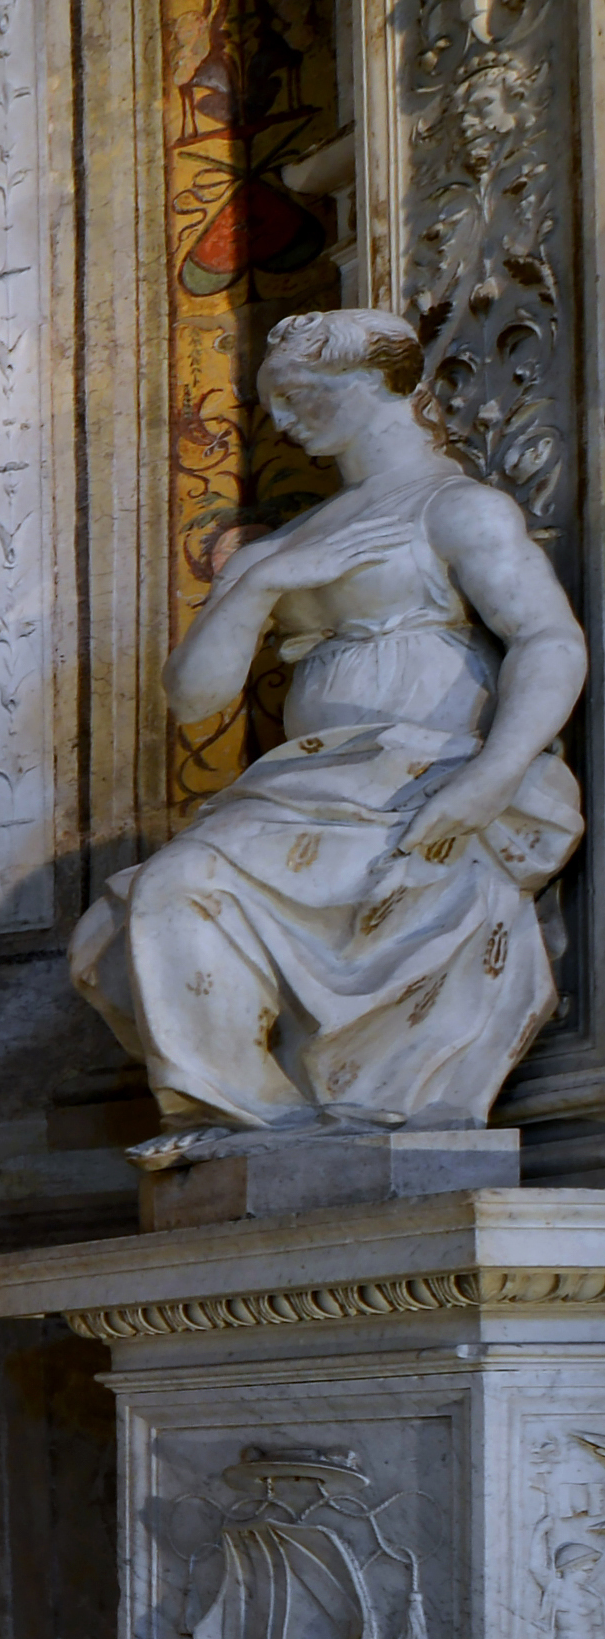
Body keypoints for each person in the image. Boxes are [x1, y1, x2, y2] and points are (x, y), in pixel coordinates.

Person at [76, 306, 590, 1139]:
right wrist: (262, 585)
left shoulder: (454, 508)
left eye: (297, 394)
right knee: (130, 919)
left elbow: (548, 639)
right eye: (270, 400)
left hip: (426, 778)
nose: (279, 420)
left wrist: (493, 776)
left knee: (179, 887)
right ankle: (263, 1118)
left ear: (375, 383)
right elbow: (193, 699)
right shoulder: (278, 549)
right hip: (304, 786)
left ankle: (315, 1109)